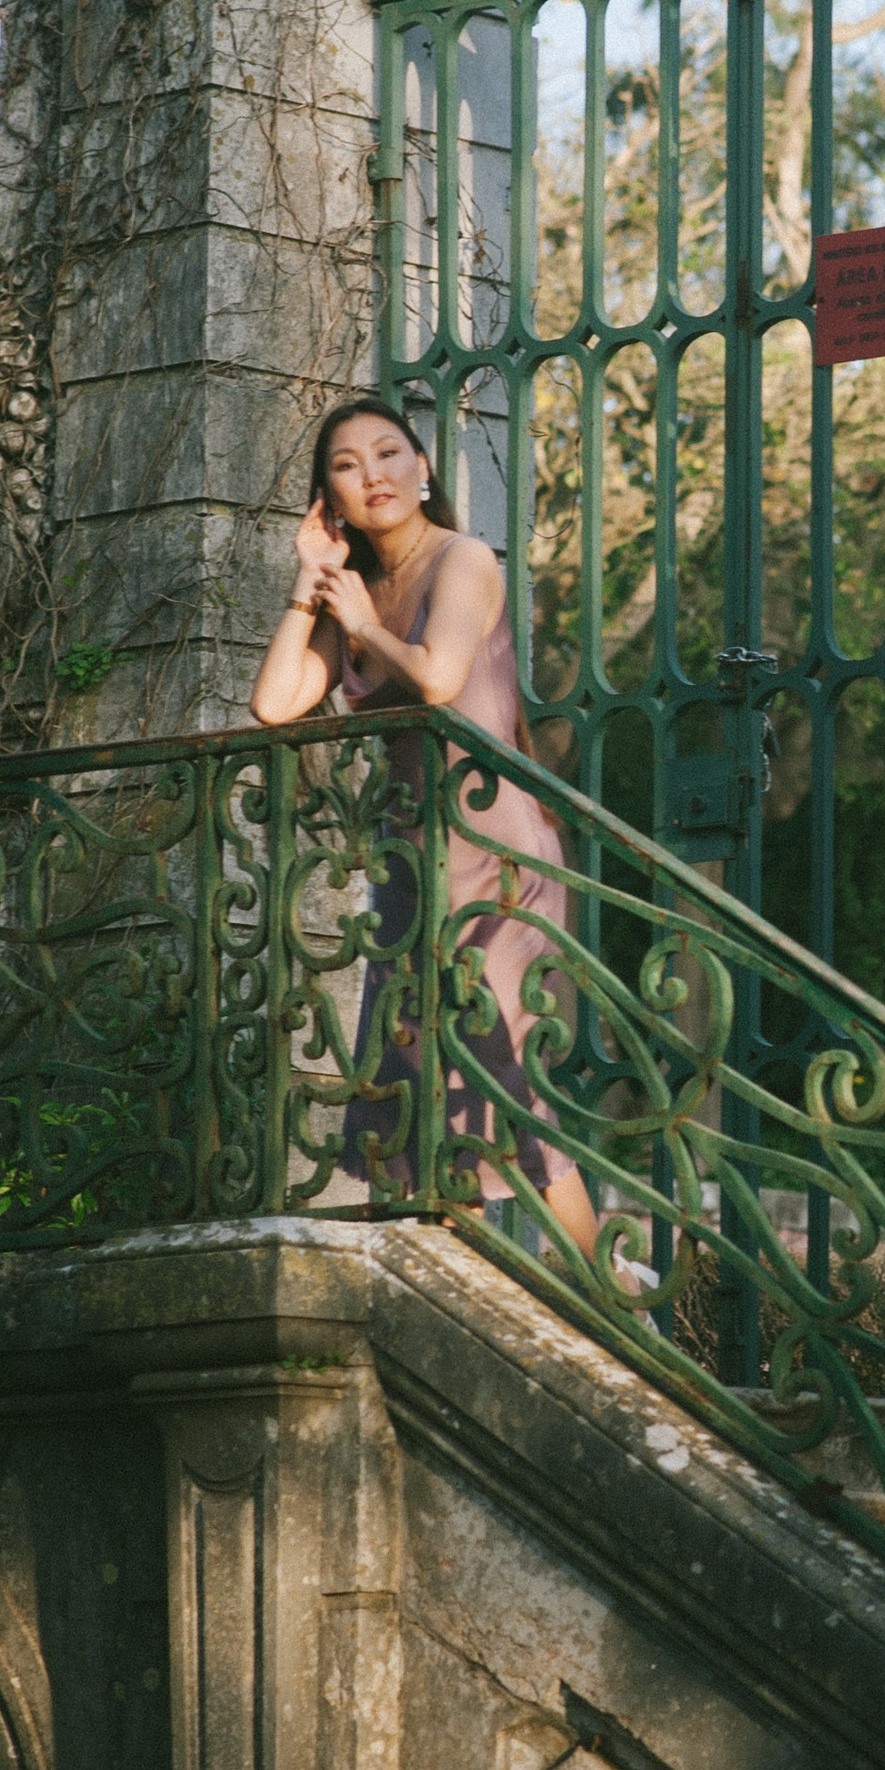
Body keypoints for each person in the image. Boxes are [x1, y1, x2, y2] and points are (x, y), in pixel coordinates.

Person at [250, 396, 601, 1264]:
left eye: (389, 452)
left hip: (498, 858)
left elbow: (439, 678)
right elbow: (274, 703)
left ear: (425, 468)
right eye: (346, 463)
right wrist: (312, 584)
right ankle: (465, 1290)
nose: (373, 473)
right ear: (328, 495)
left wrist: (365, 625)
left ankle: (608, 1302)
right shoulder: (352, 593)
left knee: (504, 1081)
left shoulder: (465, 560)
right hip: (414, 864)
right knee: (419, 1092)